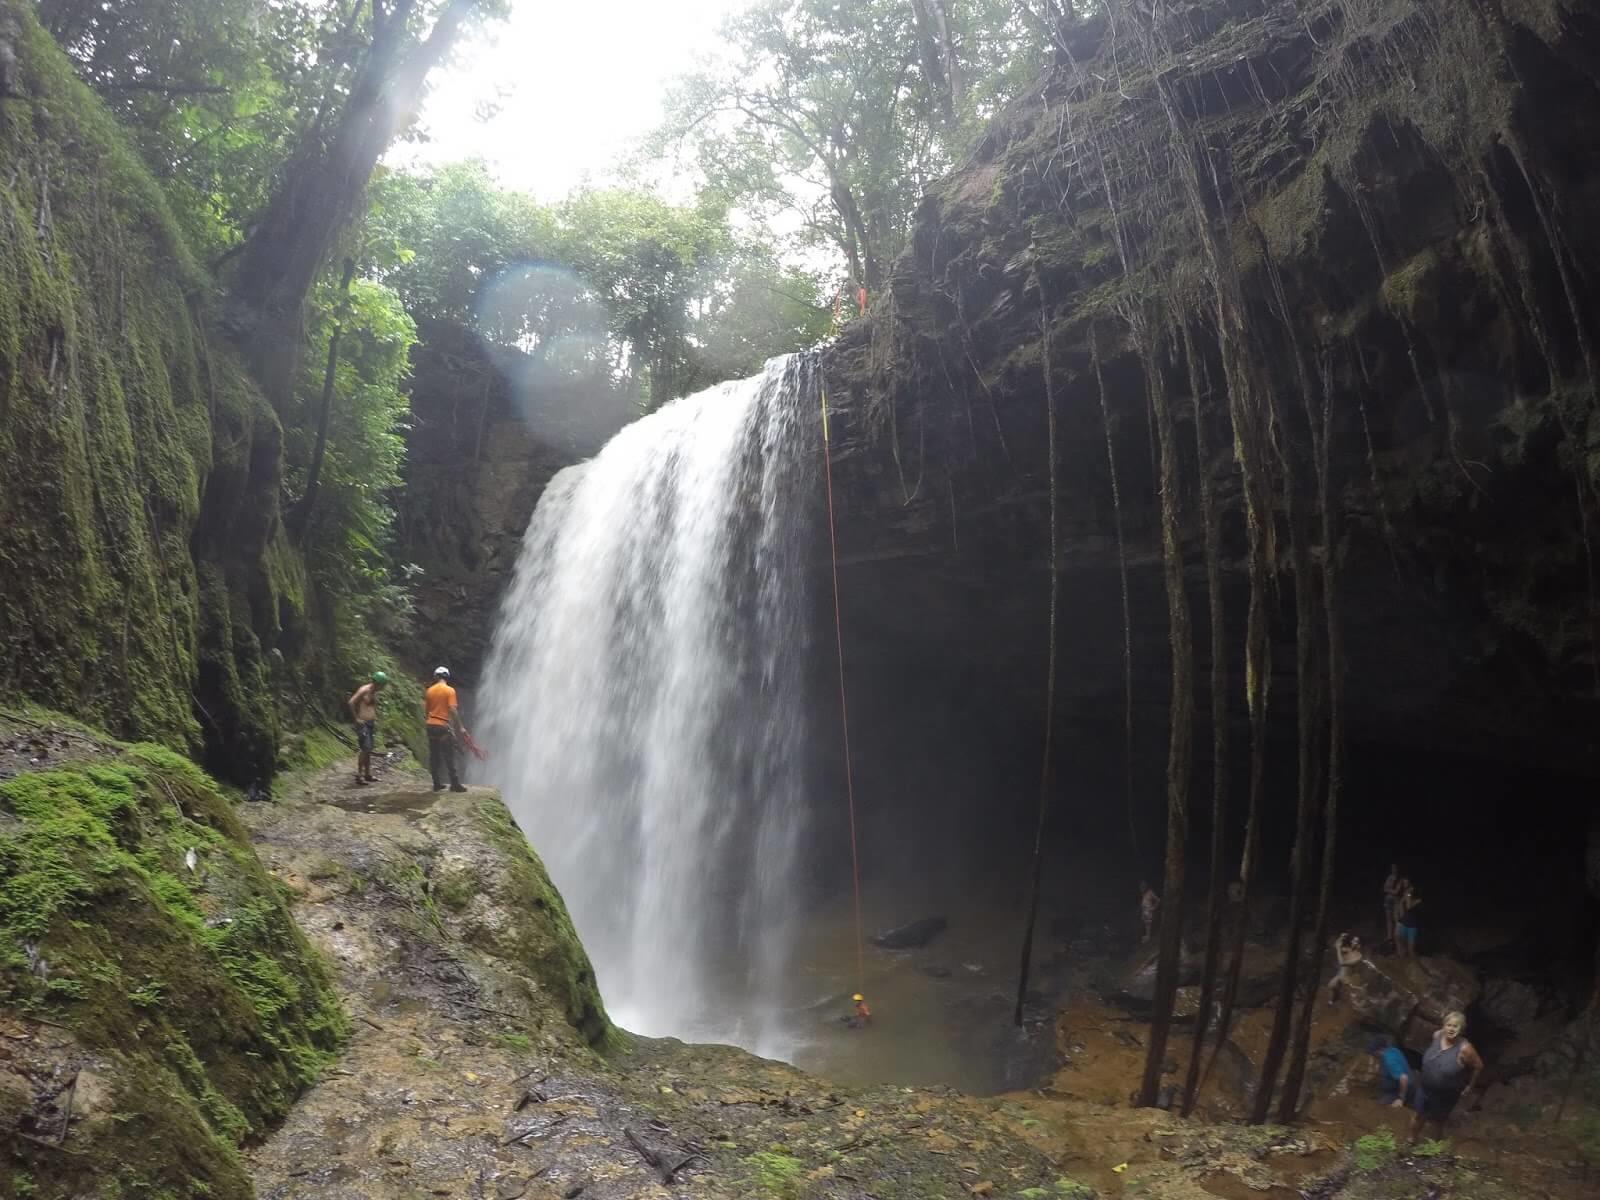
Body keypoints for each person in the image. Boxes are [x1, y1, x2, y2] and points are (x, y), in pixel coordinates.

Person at [1410, 1010, 1482, 1143]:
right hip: (1425, 1087)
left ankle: (1435, 1147)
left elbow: (1478, 1066)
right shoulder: (1437, 1035)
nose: (1451, 1029)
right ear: (1443, 1025)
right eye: (1449, 1025)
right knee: (1418, 1115)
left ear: (1461, 1029)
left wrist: (1469, 1086)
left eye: (1455, 1026)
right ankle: (1411, 1140)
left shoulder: (1465, 1049)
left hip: (1446, 1093)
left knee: (1438, 1121)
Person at [424, 666, 469, 793]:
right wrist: (460, 727)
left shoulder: (429, 691)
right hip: (442, 726)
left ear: (436, 677)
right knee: (449, 755)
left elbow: (427, 710)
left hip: (430, 724)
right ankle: (454, 784)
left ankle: (436, 783)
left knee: (434, 755)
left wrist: (430, 720)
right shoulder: (449, 691)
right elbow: (452, 709)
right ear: (447, 677)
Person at [346, 670, 387, 785]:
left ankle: (368, 774)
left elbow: (371, 707)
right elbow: (351, 702)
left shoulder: (374, 692)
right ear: (377, 683)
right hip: (362, 723)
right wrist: (356, 719)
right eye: (381, 685)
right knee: (365, 748)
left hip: (370, 723)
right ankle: (359, 775)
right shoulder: (364, 690)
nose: (381, 688)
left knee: (369, 749)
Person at [1369, 1035, 1412, 1109]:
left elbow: (1403, 1078)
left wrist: (1401, 1098)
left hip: (1399, 1089)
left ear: (1379, 1050)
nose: (1373, 1056)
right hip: (1393, 1087)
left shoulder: (1389, 1060)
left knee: (1379, 1108)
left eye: (1373, 1053)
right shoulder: (1392, 1050)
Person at [1329, 932, 1363, 1005]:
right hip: (1340, 974)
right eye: (1353, 940)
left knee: (1351, 998)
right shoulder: (1348, 950)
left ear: (1359, 945)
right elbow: (1336, 945)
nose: (1353, 942)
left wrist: (1338, 949)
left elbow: (1342, 963)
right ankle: (1336, 997)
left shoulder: (1359, 956)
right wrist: (1341, 937)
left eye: (1356, 941)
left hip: (1349, 978)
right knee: (1331, 986)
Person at [1396, 884, 1420, 958]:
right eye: (1408, 890)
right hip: (1404, 924)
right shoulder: (1404, 899)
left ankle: (1414, 961)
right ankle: (1403, 960)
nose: (1409, 891)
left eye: (1411, 890)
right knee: (1403, 947)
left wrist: (1408, 897)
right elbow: (1402, 910)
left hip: (1412, 926)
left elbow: (1409, 906)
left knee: (1410, 949)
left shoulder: (1418, 899)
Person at [1383, 864, 1404, 948]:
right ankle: (1389, 938)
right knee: (1388, 920)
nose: (1393, 869)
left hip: (1396, 901)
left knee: (1396, 919)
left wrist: (1390, 890)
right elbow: (1384, 889)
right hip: (1388, 900)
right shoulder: (1389, 877)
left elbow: (1397, 892)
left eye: (1395, 868)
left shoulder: (1400, 878)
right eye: (1392, 868)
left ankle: (1396, 938)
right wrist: (1392, 890)